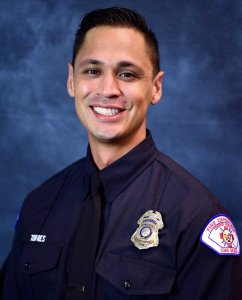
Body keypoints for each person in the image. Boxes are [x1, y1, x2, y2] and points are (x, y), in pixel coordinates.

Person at [0, 7, 241, 300]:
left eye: (127, 74)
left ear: (156, 88)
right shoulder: (39, 205)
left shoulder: (196, 216)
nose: (108, 89)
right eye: (92, 71)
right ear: (72, 81)